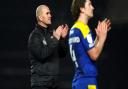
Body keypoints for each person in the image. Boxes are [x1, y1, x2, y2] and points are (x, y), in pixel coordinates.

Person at [68, 0, 111, 89]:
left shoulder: (74, 29)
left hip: (78, 80)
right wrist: (103, 38)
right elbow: (94, 55)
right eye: (89, 4)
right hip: (87, 81)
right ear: (82, 9)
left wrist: (98, 38)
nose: (93, 7)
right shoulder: (84, 29)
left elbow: (86, 51)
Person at [28, 4, 68, 89]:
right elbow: (42, 55)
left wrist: (62, 39)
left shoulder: (51, 33)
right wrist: (56, 37)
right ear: (40, 18)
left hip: (54, 84)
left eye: (50, 13)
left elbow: (62, 54)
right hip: (40, 84)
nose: (50, 15)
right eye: (47, 13)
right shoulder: (35, 36)